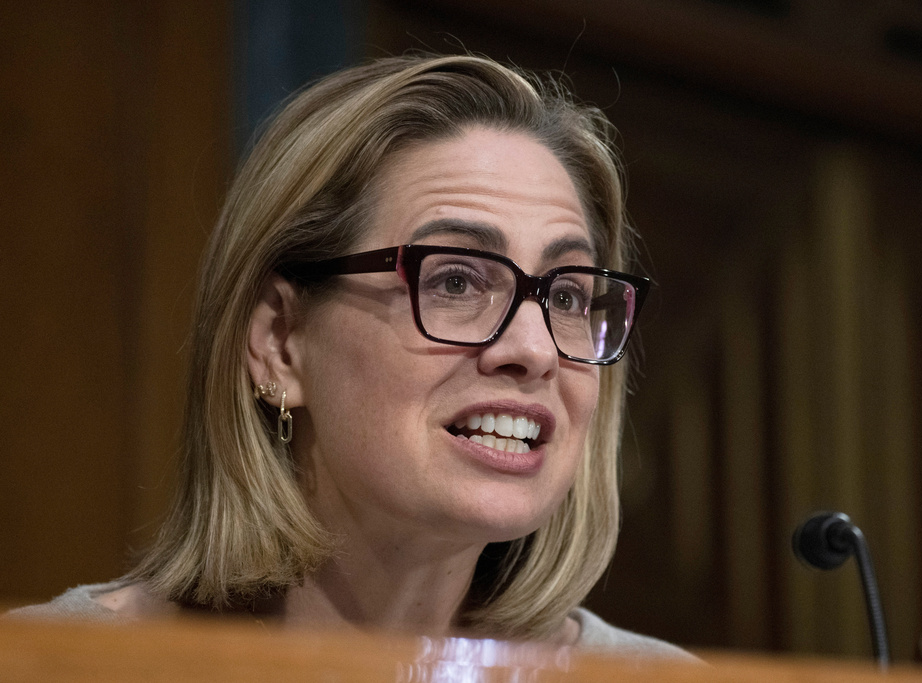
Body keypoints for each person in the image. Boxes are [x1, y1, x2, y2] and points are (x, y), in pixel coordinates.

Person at [9, 53, 694, 659]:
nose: (534, 349)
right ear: (280, 341)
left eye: (568, 296)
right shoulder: (54, 663)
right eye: (456, 282)